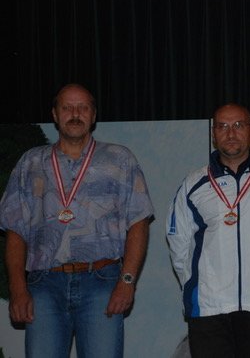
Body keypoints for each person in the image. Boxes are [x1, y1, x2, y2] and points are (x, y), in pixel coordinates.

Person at [0, 83, 154, 358]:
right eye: (67, 107)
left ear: (93, 115)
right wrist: (17, 287)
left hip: (102, 282)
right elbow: (15, 229)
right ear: (55, 114)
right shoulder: (30, 162)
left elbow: (139, 223)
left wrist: (127, 281)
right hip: (44, 285)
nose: (75, 114)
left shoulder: (120, 159)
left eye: (83, 107)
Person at [166, 103, 250, 358]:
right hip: (208, 308)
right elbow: (178, 243)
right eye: (223, 126)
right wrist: (200, 282)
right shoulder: (193, 184)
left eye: (238, 125)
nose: (231, 133)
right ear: (213, 134)